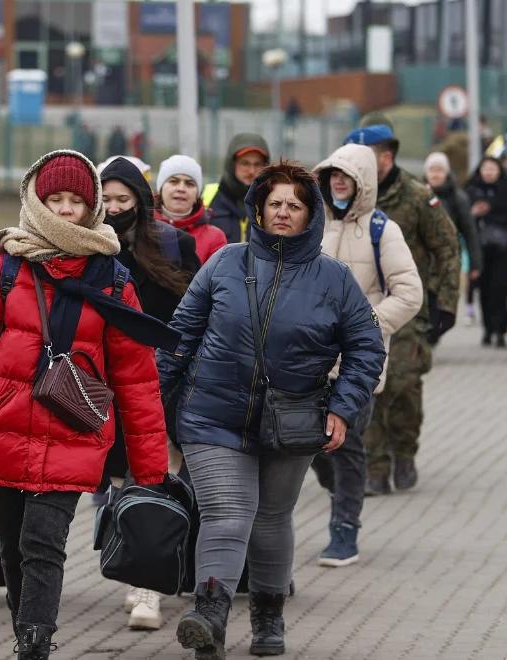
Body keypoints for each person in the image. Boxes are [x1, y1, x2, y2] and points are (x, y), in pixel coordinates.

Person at [0, 150, 176, 659]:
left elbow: (138, 379)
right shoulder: (6, 270)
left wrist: (149, 470)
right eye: (54, 199)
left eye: (75, 201)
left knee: (44, 545)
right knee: (14, 550)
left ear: (92, 207)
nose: (64, 210)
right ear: (36, 200)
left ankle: (34, 646)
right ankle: (25, 636)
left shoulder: (112, 278)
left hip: (72, 437)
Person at [159, 162, 385, 660]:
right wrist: (156, 404)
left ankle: (268, 617)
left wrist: (343, 409)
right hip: (213, 416)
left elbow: (368, 349)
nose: (283, 213)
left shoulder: (335, 279)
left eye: (295, 206)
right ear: (258, 208)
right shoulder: (223, 263)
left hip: (294, 419)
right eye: (275, 203)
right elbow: (178, 339)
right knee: (228, 511)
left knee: (271, 519)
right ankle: (210, 616)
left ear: (311, 216)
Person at [98, 156, 200, 631]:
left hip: (165, 381)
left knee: (156, 480)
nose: (116, 208)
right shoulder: (92, 246)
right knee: (120, 486)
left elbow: (199, 313)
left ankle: (149, 590)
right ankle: (131, 567)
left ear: (141, 200)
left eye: (124, 200)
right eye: (108, 200)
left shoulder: (175, 246)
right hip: (107, 385)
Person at [311, 145, 423, 568]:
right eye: (332, 175)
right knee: (315, 449)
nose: (338, 182)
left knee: (348, 442)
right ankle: (340, 491)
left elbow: (409, 293)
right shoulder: (314, 223)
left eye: (347, 176)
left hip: (359, 363)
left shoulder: (382, 229)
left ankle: (344, 531)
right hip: (311, 360)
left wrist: (365, 326)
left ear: (364, 182)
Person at [345, 122, 460, 495]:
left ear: (387, 158)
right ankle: (375, 467)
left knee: (403, 384)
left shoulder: (416, 196)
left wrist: (446, 303)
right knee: (369, 385)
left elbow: (446, 247)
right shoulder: (350, 198)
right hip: (362, 307)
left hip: (409, 307)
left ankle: (404, 451)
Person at [465, 156, 507, 348]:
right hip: (480, 251)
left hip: (503, 250)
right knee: (484, 291)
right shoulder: (471, 191)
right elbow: (462, 223)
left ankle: (500, 330)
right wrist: (474, 214)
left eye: (493, 169)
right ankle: (488, 329)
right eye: (485, 168)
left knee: (501, 289)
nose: (489, 172)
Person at [424, 151, 483, 327]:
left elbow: (470, 232)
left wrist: (475, 263)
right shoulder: (417, 195)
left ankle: (433, 336)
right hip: (423, 259)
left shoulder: (458, 198)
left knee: (446, 313)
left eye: (439, 170)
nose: (435, 174)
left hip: (448, 260)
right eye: (432, 170)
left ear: (447, 173)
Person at [153, 154, 227, 263]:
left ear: (197, 194)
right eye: (174, 181)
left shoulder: (214, 237)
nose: (181, 188)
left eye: (189, 184)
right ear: (161, 188)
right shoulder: (141, 228)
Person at [204, 133, 271, 243]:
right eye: (245, 163)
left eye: (258, 164)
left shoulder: (273, 201)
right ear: (231, 164)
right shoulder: (207, 196)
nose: (251, 171)